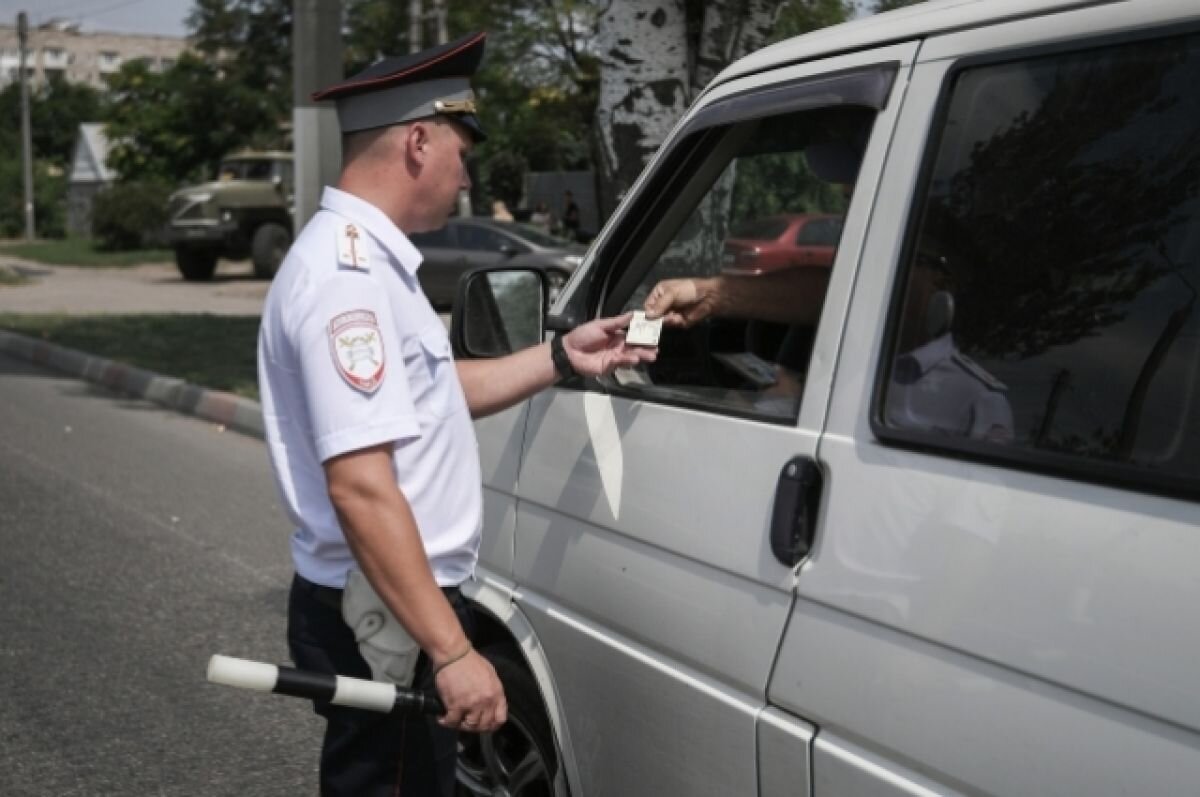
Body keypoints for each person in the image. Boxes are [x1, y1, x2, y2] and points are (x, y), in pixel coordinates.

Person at [258, 32, 656, 797]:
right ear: (416, 141)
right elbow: (361, 488)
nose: (465, 173)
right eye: (460, 151)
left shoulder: (369, 262)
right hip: (388, 607)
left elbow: (431, 394)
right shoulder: (349, 280)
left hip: (390, 598)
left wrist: (564, 355)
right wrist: (449, 650)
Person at [644, 259, 1011, 442]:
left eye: (906, 265)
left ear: (940, 287)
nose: (879, 280)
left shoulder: (978, 398)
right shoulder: (859, 356)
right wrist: (710, 294)